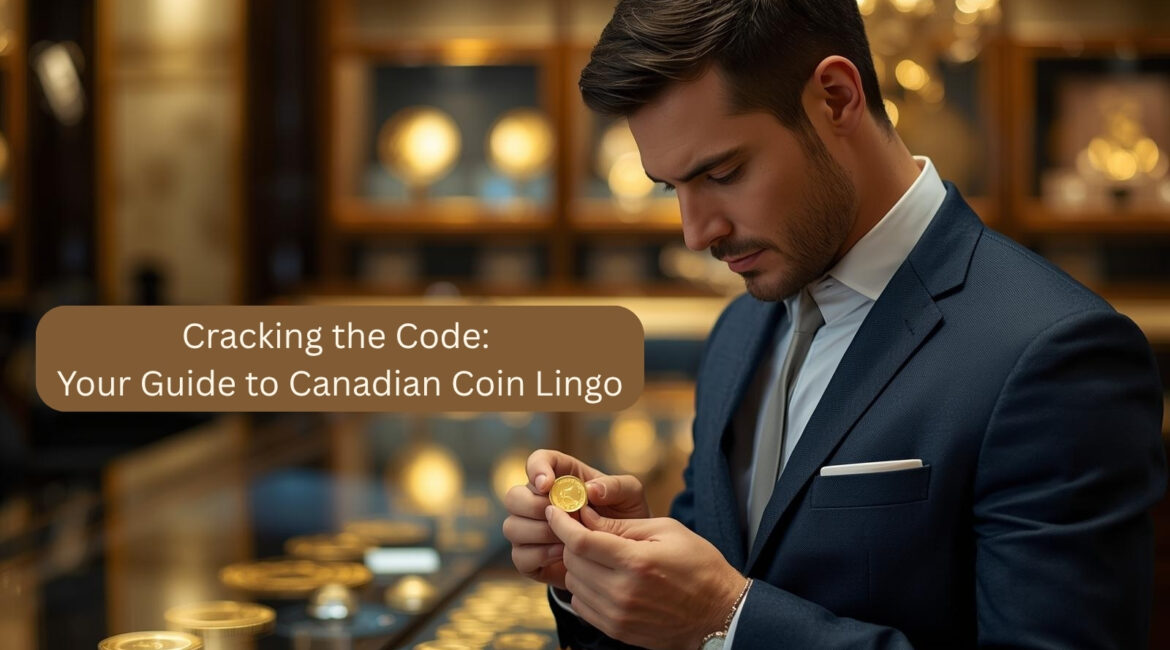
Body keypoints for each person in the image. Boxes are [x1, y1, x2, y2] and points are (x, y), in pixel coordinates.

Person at [502, 1, 1167, 648]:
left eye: (724, 173)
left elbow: (719, 610)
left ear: (837, 98)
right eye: (669, 188)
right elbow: (701, 601)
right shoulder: (739, 331)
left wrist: (729, 619)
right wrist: (602, 574)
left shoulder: (1057, 351)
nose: (695, 231)